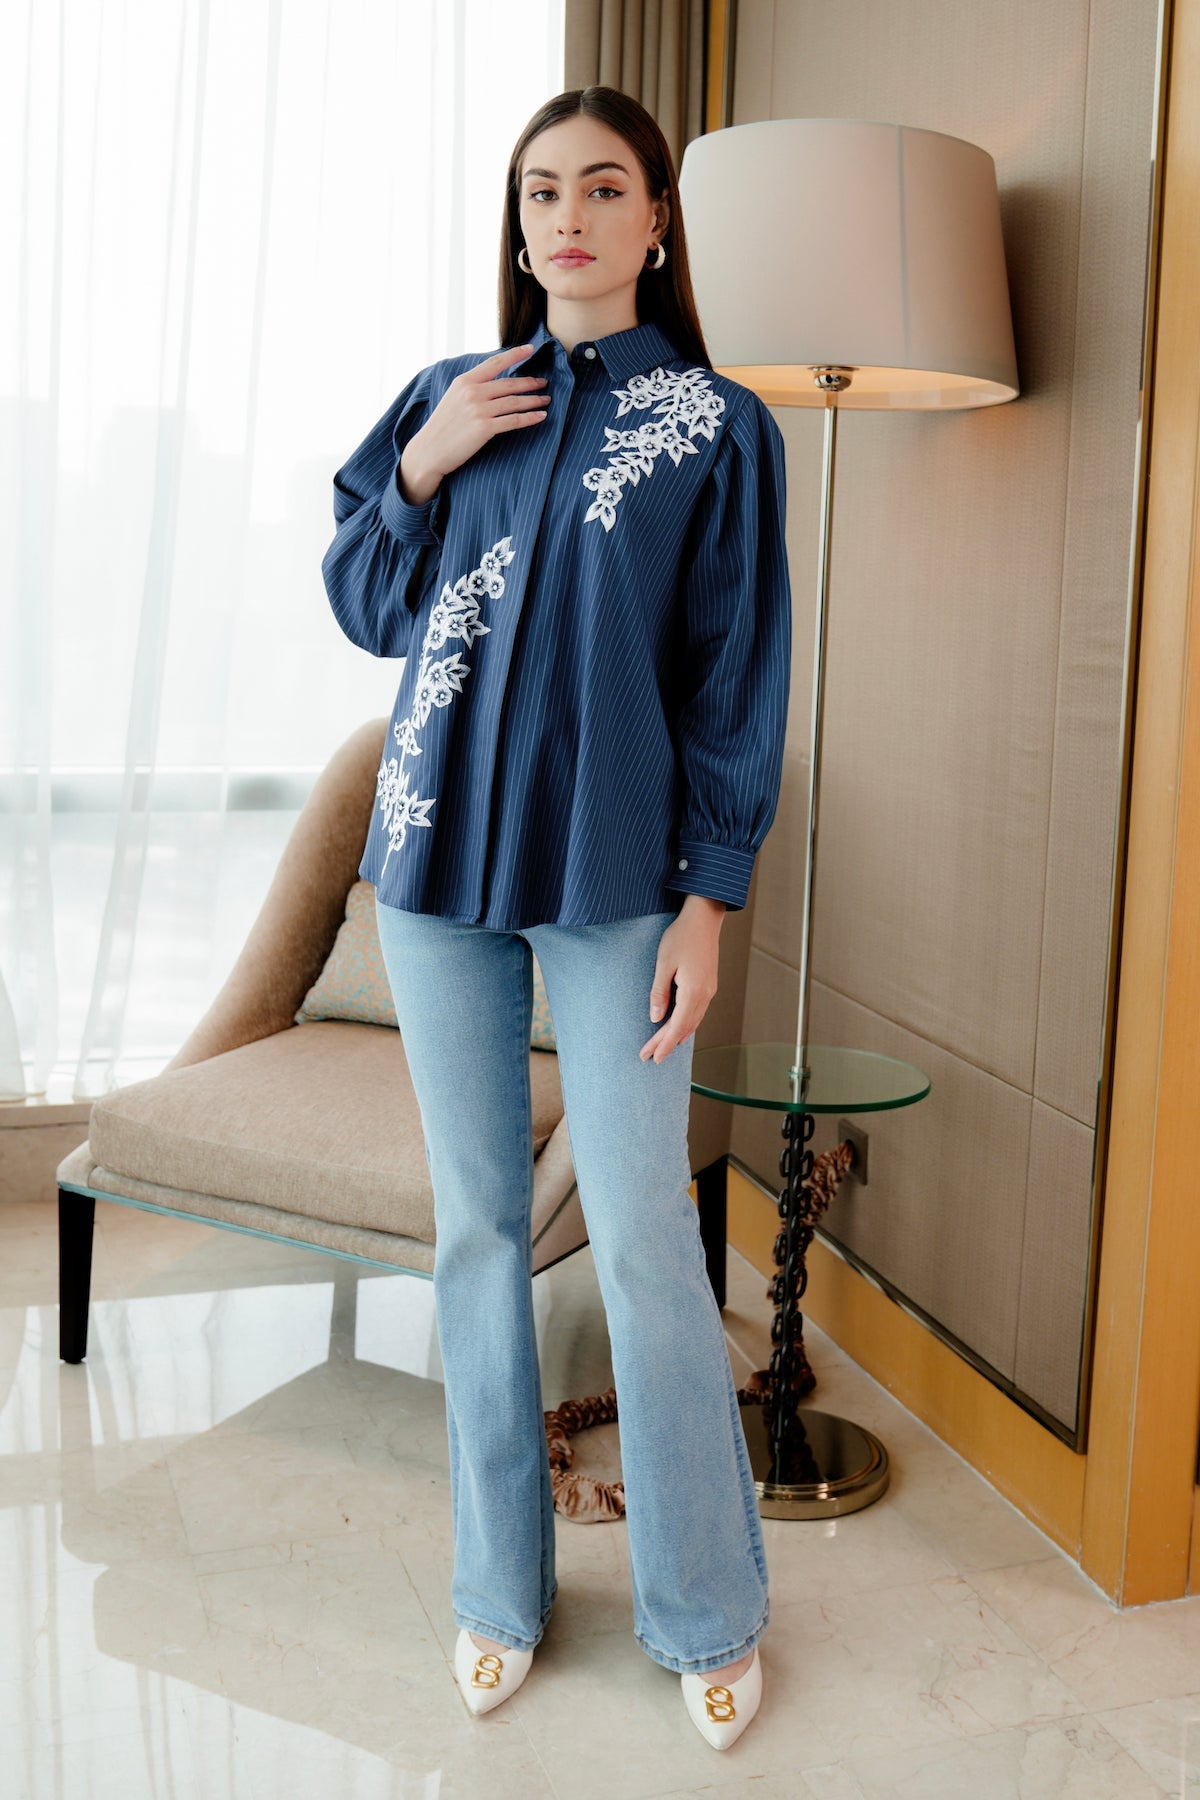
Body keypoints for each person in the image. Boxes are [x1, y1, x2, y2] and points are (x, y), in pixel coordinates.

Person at [320, 84, 792, 1751]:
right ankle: (498, 1591)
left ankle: (706, 1606)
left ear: (657, 219)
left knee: (648, 1241)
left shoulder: (719, 428)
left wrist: (711, 901)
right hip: (433, 866)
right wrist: (426, 462)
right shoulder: (449, 397)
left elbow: (735, 680)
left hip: (618, 882)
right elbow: (367, 603)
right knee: (475, 1233)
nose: (568, 217)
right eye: (541, 191)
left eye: (602, 187)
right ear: (516, 224)